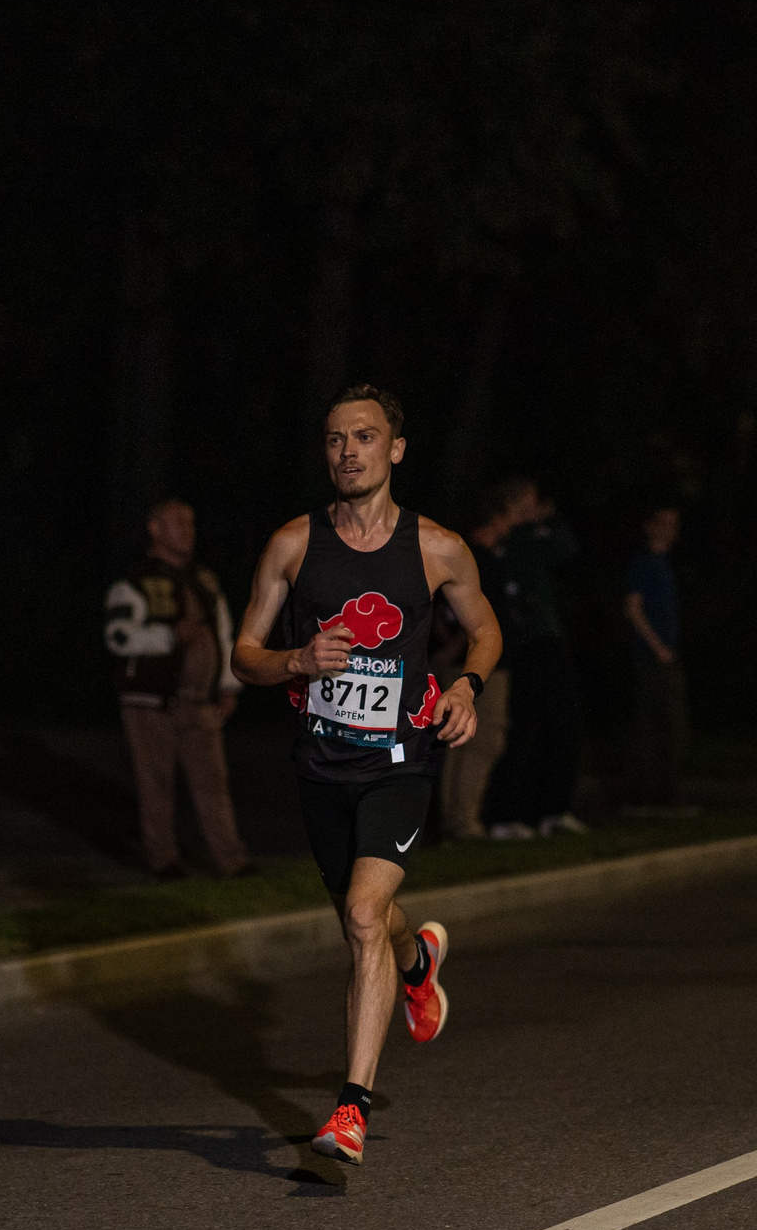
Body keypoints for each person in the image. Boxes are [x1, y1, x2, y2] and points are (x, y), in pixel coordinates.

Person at [232, 384, 501, 1168]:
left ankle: (350, 1107)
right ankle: (418, 961)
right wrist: (294, 659)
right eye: (335, 439)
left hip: (399, 762)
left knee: (358, 915)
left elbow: (484, 631)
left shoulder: (437, 546)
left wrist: (465, 687)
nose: (347, 451)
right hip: (320, 766)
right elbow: (244, 651)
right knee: (370, 923)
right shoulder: (291, 544)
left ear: (395, 449)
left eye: (364, 436)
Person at [104, 498, 251, 879]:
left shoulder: (203, 579)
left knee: (213, 782)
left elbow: (223, 632)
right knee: (156, 782)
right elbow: (118, 637)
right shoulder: (134, 582)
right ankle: (163, 859)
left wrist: (228, 684)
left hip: (200, 701)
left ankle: (230, 859)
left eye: (191, 523)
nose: (188, 531)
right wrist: (168, 637)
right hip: (151, 701)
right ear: (155, 528)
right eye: (178, 523)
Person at [483, 478, 584, 838]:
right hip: (529, 645)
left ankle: (548, 810)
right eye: (529, 499)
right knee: (525, 728)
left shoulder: (525, 538)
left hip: (540, 642)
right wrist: (548, 522)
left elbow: (567, 550)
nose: (536, 504)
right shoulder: (515, 540)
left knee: (556, 725)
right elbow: (564, 548)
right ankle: (510, 813)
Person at [433, 487, 516, 840]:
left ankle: (455, 820)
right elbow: (467, 618)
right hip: (481, 668)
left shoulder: (467, 555)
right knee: (482, 741)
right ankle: (464, 824)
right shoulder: (478, 558)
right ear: (496, 517)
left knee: (458, 741)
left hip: (462, 663)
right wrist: (453, 648)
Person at [621, 504, 693, 813]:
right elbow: (633, 607)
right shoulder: (645, 563)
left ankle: (647, 795)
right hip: (653, 658)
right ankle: (656, 796)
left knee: (658, 725)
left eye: (674, 523)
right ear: (649, 526)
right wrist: (658, 647)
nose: (669, 529)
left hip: (663, 655)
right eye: (662, 522)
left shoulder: (664, 563)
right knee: (668, 725)